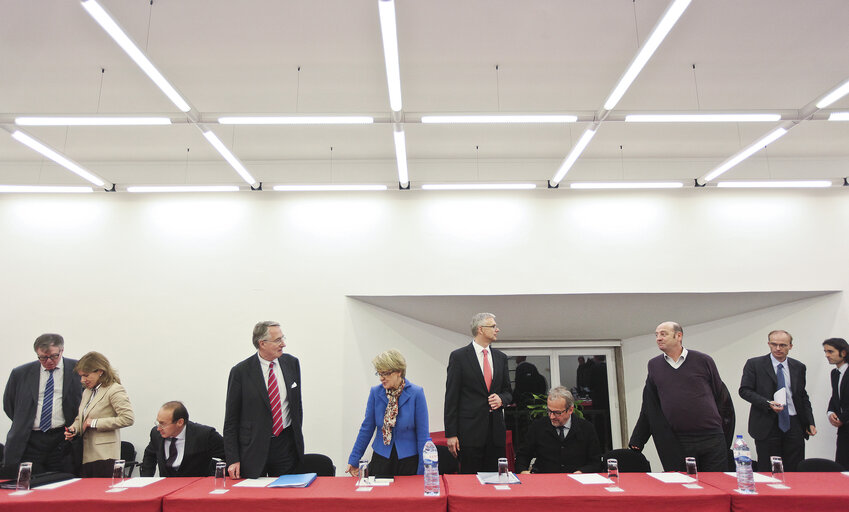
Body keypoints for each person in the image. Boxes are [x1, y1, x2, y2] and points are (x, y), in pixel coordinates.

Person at [629, 321, 735, 472]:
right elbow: (650, 404)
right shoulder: (654, 365)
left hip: (711, 436)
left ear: (679, 336)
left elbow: (720, 396)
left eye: (663, 334)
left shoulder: (703, 360)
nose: (658, 338)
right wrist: (638, 438)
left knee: (715, 484)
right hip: (677, 440)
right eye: (657, 335)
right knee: (684, 487)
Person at [223, 321, 304, 479]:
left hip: (285, 445)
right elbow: (231, 420)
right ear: (262, 343)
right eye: (278, 340)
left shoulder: (291, 363)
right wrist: (233, 459)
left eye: (283, 338)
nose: (283, 344)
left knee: (285, 498)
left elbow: (297, 406)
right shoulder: (240, 372)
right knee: (253, 499)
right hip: (253, 448)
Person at [2, 333, 82, 477]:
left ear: (62, 350)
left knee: (62, 483)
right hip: (31, 440)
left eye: (54, 356)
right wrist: (25, 421)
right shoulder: (20, 373)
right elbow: (9, 404)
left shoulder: (78, 370)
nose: (49, 361)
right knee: (29, 484)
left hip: (62, 439)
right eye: (43, 358)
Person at [444, 312, 513, 473]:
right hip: (469, 435)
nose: (497, 329)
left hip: (495, 434)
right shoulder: (459, 357)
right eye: (493, 326)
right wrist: (451, 434)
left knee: (496, 482)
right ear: (480, 329)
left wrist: (501, 399)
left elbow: (508, 392)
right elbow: (451, 398)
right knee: (470, 483)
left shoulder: (501, 357)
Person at [738, 330, 816, 472]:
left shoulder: (798, 367)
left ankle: (793, 493)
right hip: (767, 423)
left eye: (782, 345)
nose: (778, 348)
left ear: (790, 346)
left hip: (793, 423)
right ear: (768, 344)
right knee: (768, 468)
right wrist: (767, 403)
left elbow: (801, 396)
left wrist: (809, 421)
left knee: (794, 468)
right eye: (774, 344)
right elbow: (745, 391)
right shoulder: (755, 364)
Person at [345, 350, 429, 477]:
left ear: (399, 372)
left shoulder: (416, 393)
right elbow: (367, 428)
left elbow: (423, 435)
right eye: (379, 373)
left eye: (386, 373)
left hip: (409, 460)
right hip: (381, 458)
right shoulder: (375, 393)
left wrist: (423, 470)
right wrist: (354, 459)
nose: (381, 378)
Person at [63, 351, 134, 477]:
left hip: (105, 456)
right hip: (85, 455)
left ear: (100, 371)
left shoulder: (114, 389)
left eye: (86, 375)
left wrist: (94, 423)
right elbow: (81, 417)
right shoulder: (87, 392)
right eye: (81, 376)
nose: (82, 380)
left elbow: (128, 418)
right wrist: (73, 429)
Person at [515, 386, 601, 474]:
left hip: (576, 482)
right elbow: (522, 456)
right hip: (544, 481)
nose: (552, 416)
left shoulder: (586, 428)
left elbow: (595, 462)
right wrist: (523, 472)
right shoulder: (538, 427)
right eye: (549, 411)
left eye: (557, 413)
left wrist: (582, 472)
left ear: (570, 410)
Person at [140, 401, 225, 477]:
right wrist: (145, 480)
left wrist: (221, 477)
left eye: (163, 424)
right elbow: (150, 456)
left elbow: (229, 455)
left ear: (180, 422)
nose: (159, 428)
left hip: (197, 489)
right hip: (167, 487)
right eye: (158, 423)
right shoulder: (156, 434)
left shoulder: (205, 435)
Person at [823, 337, 849, 469]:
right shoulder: (835, 373)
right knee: (842, 466)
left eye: (830, 351)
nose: (827, 355)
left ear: (843, 353)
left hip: (845, 422)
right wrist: (830, 412)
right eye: (825, 351)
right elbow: (835, 396)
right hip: (844, 429)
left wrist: (842, 418)